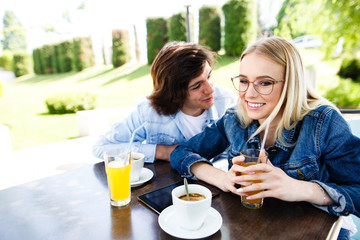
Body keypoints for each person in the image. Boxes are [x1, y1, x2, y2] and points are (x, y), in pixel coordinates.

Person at [170, 36, 360, 239]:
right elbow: (181, 153)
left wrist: (299, 188)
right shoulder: (235, 119)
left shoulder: (323, 122)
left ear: (291, 84)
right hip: (253, 228)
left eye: (265, 83)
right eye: (244, 81)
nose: (249, 94)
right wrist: (223, 179)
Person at [92, 41, 236, 163]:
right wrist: (162, 152)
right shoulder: (149, 112)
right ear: (173, 92)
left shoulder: (227, 102)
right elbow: (101, 147)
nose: (210, 89)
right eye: (196, 86)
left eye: (209, 76)